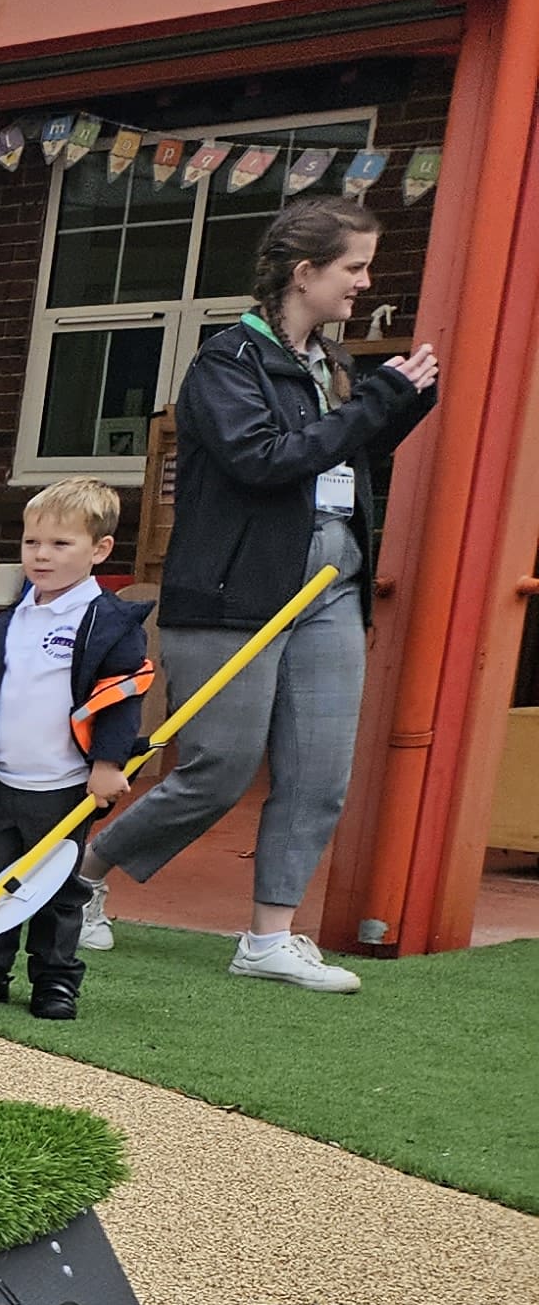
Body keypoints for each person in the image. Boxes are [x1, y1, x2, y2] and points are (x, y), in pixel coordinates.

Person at [78, 195, 438, 991]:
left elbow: (347, 457)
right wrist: (377, 403)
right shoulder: (226, 363)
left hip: (331, 588)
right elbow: (265, 461)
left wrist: (398, 407)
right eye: (354, 268)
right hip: (234, 593)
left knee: (319, 773)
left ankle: (270, 937)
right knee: (217, 768)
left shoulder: (335, 365)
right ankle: (83, 878)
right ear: (305, 273)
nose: (365, 282)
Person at [0, 481, 154, 1024]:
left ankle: (54, 980)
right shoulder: (9, 623)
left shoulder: (107, 625)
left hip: (64, 786)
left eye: (59, 545)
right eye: (31, 544)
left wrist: (108, 765)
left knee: (56, 891)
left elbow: (120, 701)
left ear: (100, 550)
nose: (41, 556)